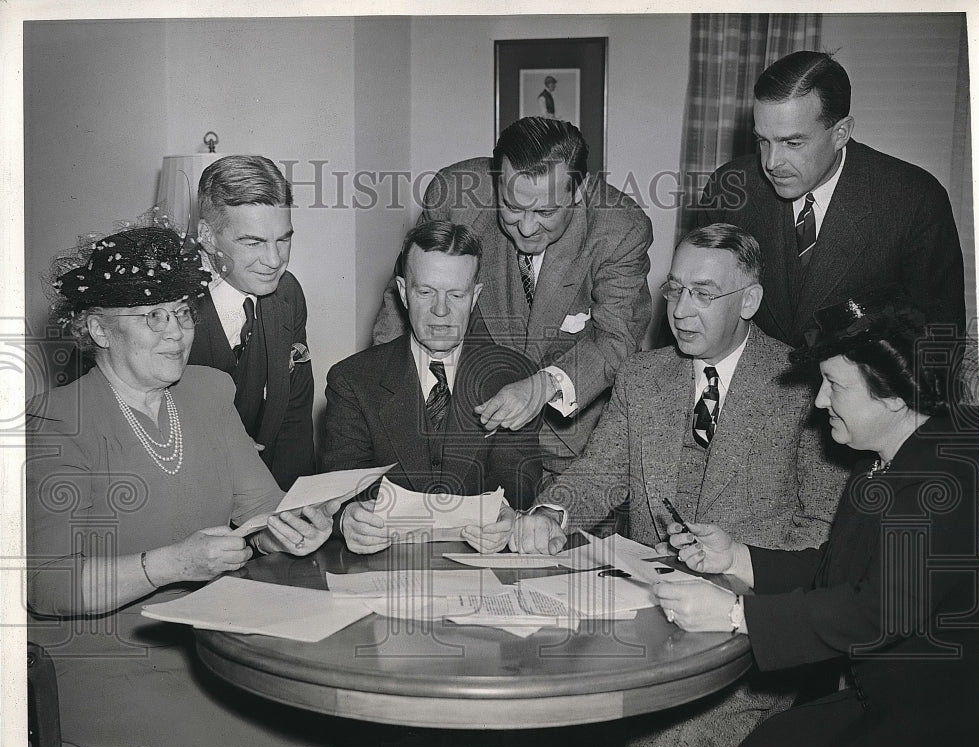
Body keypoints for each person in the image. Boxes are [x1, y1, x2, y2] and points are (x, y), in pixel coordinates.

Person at [476, 223, 846, 747]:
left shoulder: (804, 385)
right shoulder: (644, 375)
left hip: (746, 639)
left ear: (750, 301)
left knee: (675, 744)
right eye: (674, 290)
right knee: (549, 724)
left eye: (703, 292)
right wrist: (552, 512)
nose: (681, 310)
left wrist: (746, 579)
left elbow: (822, 532)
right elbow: (602, 470)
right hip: (640, 620)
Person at [26, 222, 343, 747]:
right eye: (153, 316)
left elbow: (261, 511)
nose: (176, 331)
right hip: (109, 664)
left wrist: (292, 529)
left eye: (181, 311)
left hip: (213, 646)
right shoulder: (58, 424)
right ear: (99, 330)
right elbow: (48, 586)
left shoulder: (207, 393)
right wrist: (171, 563)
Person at [655, 293, 979, 747]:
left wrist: (735, 615)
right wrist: (737, 558)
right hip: (889, 704)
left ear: (892, 395)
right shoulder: (883, 464)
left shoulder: (949, 483)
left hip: (940, 727)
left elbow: (877, 611)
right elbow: (844, 572)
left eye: (834, 384)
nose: (819, 400)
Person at [372, 117, 653, 471]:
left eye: (545, 212)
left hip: (572, 447)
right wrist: (380, 408)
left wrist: (543, 386)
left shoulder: (620, 229)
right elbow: (403, 307)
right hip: (470, 438)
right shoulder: (454, 198)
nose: (527, 226)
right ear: (497, 182)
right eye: (513, 207)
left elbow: (617, 339)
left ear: (578, 192)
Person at [695, 50, 965, 346]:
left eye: (793, 142)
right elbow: (698, 307)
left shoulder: (915, 201)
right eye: (763, 140)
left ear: (841, 133)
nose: (772, 162)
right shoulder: (730, 188)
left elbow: (938, 343)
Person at [322, 220, 542, 555]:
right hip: (384, 567)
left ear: (475, 297)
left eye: (456, 294)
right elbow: (341, 490)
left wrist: (509, 518)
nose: (441, 311)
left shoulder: (513, 377)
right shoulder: (352, 380)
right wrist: (347, 519)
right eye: (425, 292)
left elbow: (518, 485)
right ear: (403, 291)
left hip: (482, 568)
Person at [193, 154, 314, 490]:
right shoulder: (170, 305)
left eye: (283, 239)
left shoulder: (288, 293)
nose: (274, 261)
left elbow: (294, 419)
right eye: (253, 242)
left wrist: (290, 511)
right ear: (207, 235)